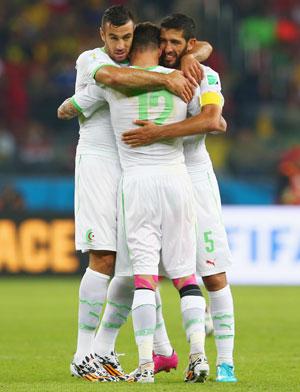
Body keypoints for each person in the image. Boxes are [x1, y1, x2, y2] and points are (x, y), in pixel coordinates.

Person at [57, 5, 212, 382]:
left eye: (127, 37)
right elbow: (112, 80)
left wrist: (190, 55)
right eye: (114, 37)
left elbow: (196, 46)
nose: (121, 44)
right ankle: (83, 353)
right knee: (105, 257)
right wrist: (166, 79)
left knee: (131, 268)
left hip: (132, 172)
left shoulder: (154, 62)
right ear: (102, 35)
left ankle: (108, 348)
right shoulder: (93, 61)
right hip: (99, 162)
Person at [122, 14, 237, 383]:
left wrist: (159, 134)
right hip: (157, 178)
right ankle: (160, 353)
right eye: (164, 42)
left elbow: (214, 121)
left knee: (213, 273)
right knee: (145, 274)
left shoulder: (205, 75)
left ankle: (225, 363)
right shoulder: (153, 75)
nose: (168, 49)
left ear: (190, 45)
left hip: (195, 179)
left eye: (176, 43)